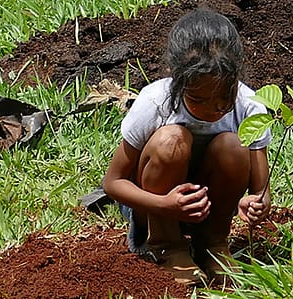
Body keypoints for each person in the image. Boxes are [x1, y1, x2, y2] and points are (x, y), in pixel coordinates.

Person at [103, 8, 271, 286]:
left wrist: (255, 204)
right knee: (172, 140)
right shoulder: (157, 102)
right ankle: (166, 245)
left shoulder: (249, 105)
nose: (214, 108)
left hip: (210, 208)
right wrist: (165, 205)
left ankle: (213, 244)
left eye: (223, 97)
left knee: (233, 145)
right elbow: (113, 182)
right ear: (176, 78)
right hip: (156, 205)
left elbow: (261, 191)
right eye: (199, 99)